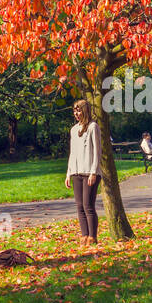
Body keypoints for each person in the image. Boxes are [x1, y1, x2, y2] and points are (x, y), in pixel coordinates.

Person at [64, 99, 102, 245]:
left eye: (79, 110)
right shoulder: (74, 130)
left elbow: (97, 152)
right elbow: (72, 153)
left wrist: (93, 172)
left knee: (88, 206)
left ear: (85, 111)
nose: (76, 113)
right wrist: (69, 173)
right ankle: (84, 235)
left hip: (90, 172)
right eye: (74, 111)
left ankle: (92, 237)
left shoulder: (93, 127)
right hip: (76, 172)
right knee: (79, 206)